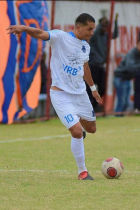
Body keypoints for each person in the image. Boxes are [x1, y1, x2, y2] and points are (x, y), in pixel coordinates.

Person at [7, 13, 102, 181]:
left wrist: (93, 89)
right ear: (78, 27)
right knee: (77, 132)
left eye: (93, 29)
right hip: (60, 94)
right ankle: (83, 172)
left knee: (92, 129)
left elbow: (85, 68)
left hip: (80, 94)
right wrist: (24, 28)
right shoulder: (60, 37)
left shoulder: (85, 47)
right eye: (89, 29)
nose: (92, 32)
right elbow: (39, 33)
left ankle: (78, 129)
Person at [114, 38, 140, 116]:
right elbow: (130, 68)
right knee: (122, 101)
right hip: (121, 77)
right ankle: (117, 117)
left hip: (127, 78)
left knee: (126, 102)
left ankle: (120, 118)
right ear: (137, 45)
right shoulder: (132, 54)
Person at [87, 13, 119, 111]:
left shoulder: (106, 35)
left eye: (107, 26)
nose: (105, 28)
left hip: (101, 66)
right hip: (93, 66)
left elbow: (115, 34)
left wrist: (116, 22)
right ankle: (89, 107)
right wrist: (102, 23)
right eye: (104, 25)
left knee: (102, 88)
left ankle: (94, 106)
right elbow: (97, 31)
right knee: (90, 87)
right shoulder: (94, 35)